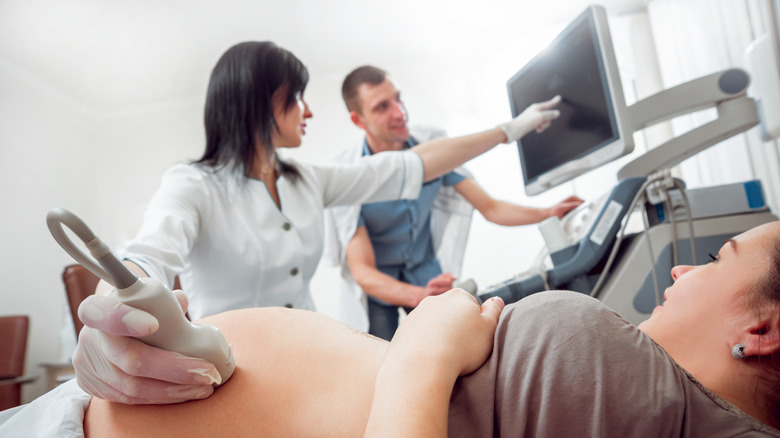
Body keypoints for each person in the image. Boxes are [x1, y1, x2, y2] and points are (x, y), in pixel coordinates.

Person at [70, 41, 564, 405]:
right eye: (298, 97)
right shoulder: (194, 184)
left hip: (309, 360)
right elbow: (149, 250)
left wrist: (507, 131)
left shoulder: (308, 179)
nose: (308, 111)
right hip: (227, 377)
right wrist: (116, 306)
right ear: (263, 101)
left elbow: (412, 165)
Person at [74, 220, 780, 437]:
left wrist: (426, 350)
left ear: (764, 329)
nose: (683, 269)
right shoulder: (648, 393)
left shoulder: (640, 393)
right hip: (89, 409)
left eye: (718, 258)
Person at [324, 65, 583, 340]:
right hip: (378, 287)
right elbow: (363, 271)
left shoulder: (430, 142)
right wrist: (418, 296)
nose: (400, 113)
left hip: (425, 271)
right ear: (358, 120)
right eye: (382, 107)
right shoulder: (348, 174)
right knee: (380, 356)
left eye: (398, 98)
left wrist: (547, 213)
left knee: (449, 342)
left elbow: (490, 208)